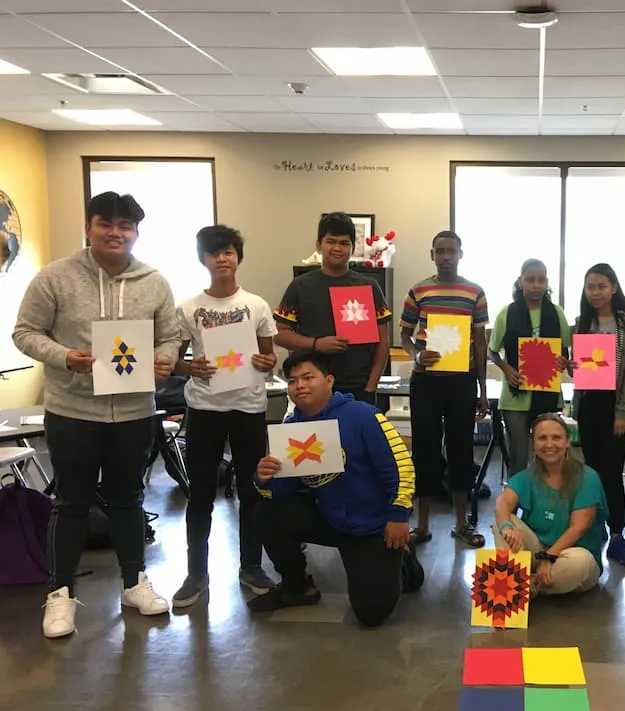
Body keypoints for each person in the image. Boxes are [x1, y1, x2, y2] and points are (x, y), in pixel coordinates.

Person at [12, 191, 181, 638]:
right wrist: (65, 356)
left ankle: (134, 583)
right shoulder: (55, 277)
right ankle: (60, 596)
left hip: (132, 411)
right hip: (72, 411)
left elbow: (171, 336)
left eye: (125, 226)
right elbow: (25, 332)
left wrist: (164, 359)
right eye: (105, 223)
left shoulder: (154, 282)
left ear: (136, 233)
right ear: (88, 227)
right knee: (71, 504)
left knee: (128, 500)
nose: (115, 232)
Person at [249, 349, 422, 626]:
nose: (300, 385)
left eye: (308, 377)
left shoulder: (364, 416)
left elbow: (401, 468)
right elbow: (283, 493)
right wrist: (264, 478)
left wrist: (399, 515)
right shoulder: (291, 428)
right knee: (268, 512)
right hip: (331, 519)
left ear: (329, 380)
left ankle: (403, 557)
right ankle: (297, 586)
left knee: (371, 614)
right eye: (292, 381)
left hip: (373, 527)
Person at [171, 225, 279, 608]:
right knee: (200, 494)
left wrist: (267, 362)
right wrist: (190, 368)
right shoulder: (187, 309)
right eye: (214, 252)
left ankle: (251, 565)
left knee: (253, 491)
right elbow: (174, 360)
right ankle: (196, 573)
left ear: (238, 256)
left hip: (248, 407)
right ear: (203, 259)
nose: (222, 258)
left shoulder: (257, 305)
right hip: (204, 408)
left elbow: (269, 357)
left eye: (229, 251)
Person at [400, 230, 490, 547]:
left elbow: (480, 344)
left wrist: (481, 389)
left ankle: (461, 524)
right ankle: (422, 525)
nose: (446, 257)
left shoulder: (474, 293)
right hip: (425, 382)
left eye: (452, 251)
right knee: (424, 451)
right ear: (432, 255)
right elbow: (404, 337)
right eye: (441, 251)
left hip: (461, 382)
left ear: (461, 254)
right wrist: (416, 355)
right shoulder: (418, 291)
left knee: (461, 450)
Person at [274, 211, 390, 404]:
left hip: (358, 389)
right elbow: (280, 335)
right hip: (313, 389)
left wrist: (371, 386)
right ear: (319, 245)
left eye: (344, 243)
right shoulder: (300, 286)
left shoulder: (368, 286)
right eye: (331, 241)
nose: (337, 248)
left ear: (353, 248)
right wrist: (316, 344)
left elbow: (382, 341)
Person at [573, 263, 625, 568]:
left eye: (601, 286)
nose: (596, 292)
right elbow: (580, 367)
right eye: (590, 287)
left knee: (612, 473)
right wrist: (571, 365)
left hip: (616, 404)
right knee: (593, 470)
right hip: (590, 403)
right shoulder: (582, 322)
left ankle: (617, 535)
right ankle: (597, 525)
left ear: (613, 287)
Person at [493, 413, 607, 594]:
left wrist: (549, 557)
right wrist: (506, 526)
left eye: (556, 438)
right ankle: (524, 585)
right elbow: (503, 503)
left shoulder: (588, 477)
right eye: (542, 438)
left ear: (567, 442)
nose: (549, 444)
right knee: (503, 522)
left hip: (570, 555)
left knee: (581, 562)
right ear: (534, 443)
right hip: (538, 552)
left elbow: (579, 527)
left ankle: (521, 587)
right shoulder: (527, 476)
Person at [488, 259, 572, 476]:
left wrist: (563, 360)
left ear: (547, 282)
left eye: (541, 280)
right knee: (518, 457)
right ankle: (516, 506)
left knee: (548, 455)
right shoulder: (507, 313)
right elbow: (492, 350)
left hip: (546, 391)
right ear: (520, 281)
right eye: (530, 280)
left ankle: (545, 503)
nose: (536, 285)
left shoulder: (556, 312)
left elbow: (565, 349)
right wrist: (506, 369)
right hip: (515, 397)